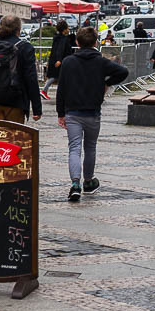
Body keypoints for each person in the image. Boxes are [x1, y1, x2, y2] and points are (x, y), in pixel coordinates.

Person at [56, 26, 129, 202]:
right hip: (93, 111)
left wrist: (60, 113)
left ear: (77, 42)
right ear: (96, 42)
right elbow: (123, 72)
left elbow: (61, 89)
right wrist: (107, 83)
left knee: (74, 148)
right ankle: (88, 181)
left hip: (72, 111)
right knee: (90, 147)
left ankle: (75, 184)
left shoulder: (68, 62)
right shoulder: (101, 62)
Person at [43, 20, 73, 99]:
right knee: (56, 76)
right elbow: (60, 49)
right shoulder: (63, 39)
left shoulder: (57, 37)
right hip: (60, 60)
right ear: (64, 29)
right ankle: (44, 91)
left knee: (56, 76)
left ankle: (45, 91)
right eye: (67, 27)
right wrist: (59, 60)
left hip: (56, 59)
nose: (69, 29)